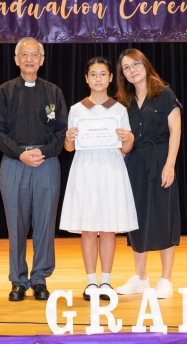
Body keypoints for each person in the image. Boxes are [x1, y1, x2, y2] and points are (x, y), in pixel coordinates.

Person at [0, 37, 68, 302]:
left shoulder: (53, 92)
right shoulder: (4, 92)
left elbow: (62, 131)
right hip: (14, 163)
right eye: (24, 55)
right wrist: (20, 153)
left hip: (46, 163)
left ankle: (40, 278)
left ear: (42, 60)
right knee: (16, 225)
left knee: (45, 224)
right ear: (16, 60)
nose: (29, 59)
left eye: (35, 55)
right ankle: (18, 280)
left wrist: (43, 152)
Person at [59, 57, 138, 301]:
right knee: (88, 228)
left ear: (111, 78)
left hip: (111, 170)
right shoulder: (76, 109)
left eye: (103, 74)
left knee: (108, 228)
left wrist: (129, 138)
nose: (98, 79)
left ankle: (106, 281)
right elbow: (69, 148)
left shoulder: (119, 109)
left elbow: (126, 148)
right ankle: (91, 282)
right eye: (93, 74)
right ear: (86, 78)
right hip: (85, 170)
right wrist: (69, 138)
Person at [114, 48, 182, 299]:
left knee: (164, 217)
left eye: (135, 64)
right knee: (136, 219)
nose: (132, 70)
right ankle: (141, 278)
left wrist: (170, 164)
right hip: (134, 164)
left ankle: (166, 279)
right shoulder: (123, 102)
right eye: (126, 68)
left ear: (145, 64)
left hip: (161, 161)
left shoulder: (165, 94)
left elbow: (175, 131)